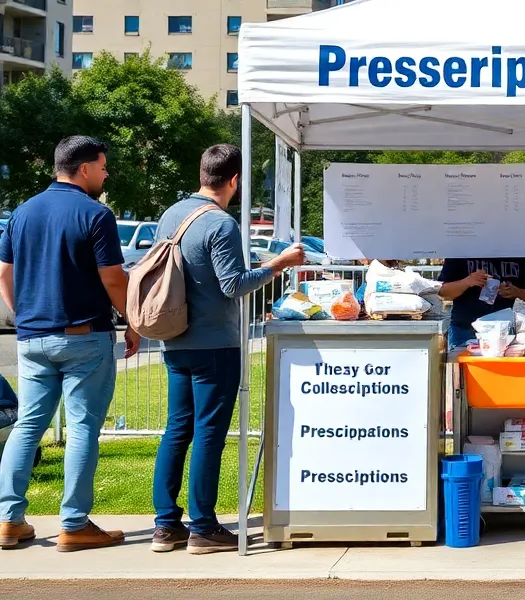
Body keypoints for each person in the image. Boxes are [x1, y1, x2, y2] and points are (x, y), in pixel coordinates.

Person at [149, 145, 306, 555]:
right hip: (214, 343)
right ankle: (203, 527)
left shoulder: (171, 215)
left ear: (203, 173)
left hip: (174, 338)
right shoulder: (221, 223)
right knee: (208, 434)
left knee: (177, 429)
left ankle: (166, 525)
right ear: (234, 180)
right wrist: (278, 265)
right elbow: (233, 284)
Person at [0, 136, 138, 552]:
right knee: (82, 429)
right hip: (84, 337)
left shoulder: (22, 212)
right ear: (84, 168)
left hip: (32, 338)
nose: (106, 174)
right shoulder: (96, 214)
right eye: (103, 166)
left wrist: (23, 314)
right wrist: (133, 321)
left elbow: (4, 273)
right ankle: (74, 524)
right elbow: (113, 278)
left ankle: (8, 521)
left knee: (28, 427)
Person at [438, 256, 525, 346]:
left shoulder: (518, 253)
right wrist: (467, 281)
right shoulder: (459, 252)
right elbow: (442, 292)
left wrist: (517, 292)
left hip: (503, 333)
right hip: (464, 330)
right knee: (461, 364)